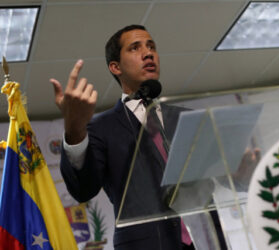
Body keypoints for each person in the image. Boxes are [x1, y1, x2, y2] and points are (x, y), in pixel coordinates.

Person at [50, 25, 198, 250]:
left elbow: (214, 179)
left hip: (206, 239)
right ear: (115, 67)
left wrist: (240, 171)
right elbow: (83, 189)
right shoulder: (101, 128)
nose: (148, 53)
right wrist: (75, 129)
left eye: (151, 46)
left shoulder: (187, 118)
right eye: (135, 48)